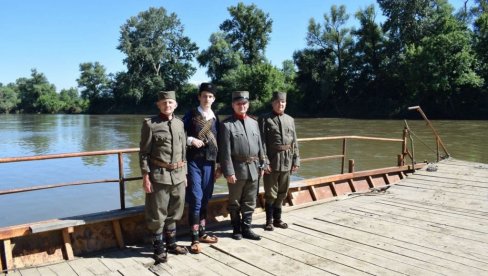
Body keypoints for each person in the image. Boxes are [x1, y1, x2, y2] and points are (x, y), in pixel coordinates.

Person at [139, 90, 189, 263]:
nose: (167, 105)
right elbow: (144, 153)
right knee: (157, 213)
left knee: (175, 211)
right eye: (164, 103)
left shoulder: (180, 124)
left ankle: (172, 244)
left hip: (179, 175)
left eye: (170, 103)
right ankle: (159, 248)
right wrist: (145, 176)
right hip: (159, 175)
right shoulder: (150, 124)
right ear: (158, 105)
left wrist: (186, 174)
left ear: (175, 105)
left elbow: (184, 152)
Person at [219, 91, 267, 241]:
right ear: (233, 105)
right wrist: (228, 172)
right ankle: (236, 229)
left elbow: (261, 146)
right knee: (234, 201)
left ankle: (247, 228)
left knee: (250, 200)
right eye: (238, 104)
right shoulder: (226, 125)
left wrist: (263, 164)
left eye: (244, 103)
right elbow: (224, 152)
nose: (242, 106)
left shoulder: (254, 122)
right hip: (237, 168)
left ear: (248, 104)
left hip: (254, 167)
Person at [183, 83, 221, 254]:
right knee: (196, 199)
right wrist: (190, 140)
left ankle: (203, 232)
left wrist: (220, 164)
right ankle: (194, 239)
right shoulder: (190, 115)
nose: (207, 99)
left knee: (205, 198)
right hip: (193, 162)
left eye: (210, 96)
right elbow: (178, 134)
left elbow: (220, 142)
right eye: (204, 96)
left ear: (214, 99)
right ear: (199, 97)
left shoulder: (216, 118)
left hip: (210, 163)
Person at [259, 91, 300, 231]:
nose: (280, 104)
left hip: (287, 160)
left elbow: (294, 142)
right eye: (277, 102)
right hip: (272, 160)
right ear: (272, 103)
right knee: (271, 193)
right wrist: (264, 161)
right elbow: (262, 142)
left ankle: (278, 219)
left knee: (283, 191)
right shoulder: (265, 119)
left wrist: (296, 160)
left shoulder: (290, 119)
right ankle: (269, 221)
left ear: (285, 104)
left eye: (282, 102)